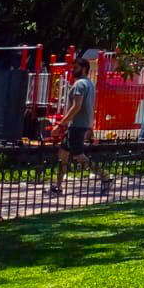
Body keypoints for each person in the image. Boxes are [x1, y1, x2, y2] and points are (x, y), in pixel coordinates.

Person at [50, 58, 112, 197]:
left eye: (76, 67)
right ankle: (57, 185)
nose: (73, 70)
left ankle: (105, 177)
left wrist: (61, 124)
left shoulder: (79, 84)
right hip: (81, 124)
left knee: (78, 156)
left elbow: (76, 106)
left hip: (77, 125)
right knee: (63, 153)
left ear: (84, 68)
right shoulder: (89, 83)